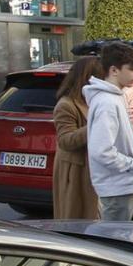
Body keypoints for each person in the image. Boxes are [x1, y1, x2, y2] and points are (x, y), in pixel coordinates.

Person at [84, 42, 133, 222]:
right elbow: (101, 151)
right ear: (114, 70)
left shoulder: (115, 97)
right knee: (114, 241)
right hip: (119, 186)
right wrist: (131, 165)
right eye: (132, 69)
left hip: (131, 182)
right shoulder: (107, 103)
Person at [52, 56, 103, 219]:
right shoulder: (66, 104)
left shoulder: (94, 101)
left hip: (92, 170)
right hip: (75, 172)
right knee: (78, 218)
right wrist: (95, 126)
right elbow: (65, 140)